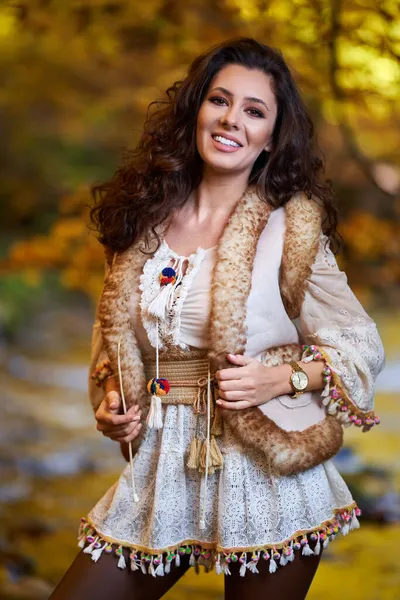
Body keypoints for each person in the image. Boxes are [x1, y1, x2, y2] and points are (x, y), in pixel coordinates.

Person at [50, 37, 385, 600]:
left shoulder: (290, 230)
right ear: (196, 110)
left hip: (267, 473)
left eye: (254, 111)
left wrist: (282, 378)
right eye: (219, 100)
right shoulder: (142, 222)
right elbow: (114, 342)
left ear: (272, 138)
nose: (232, 120)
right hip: (164, 466)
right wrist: (113, 400)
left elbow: (360, 343)